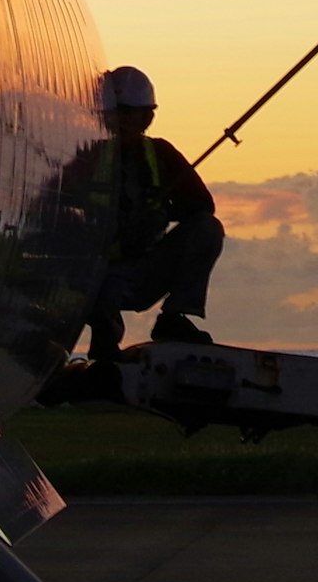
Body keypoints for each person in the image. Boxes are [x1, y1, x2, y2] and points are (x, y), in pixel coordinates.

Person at [65, 64, 223, 360]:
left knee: (208, 228)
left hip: (146, 270)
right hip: (97, 274)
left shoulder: (162, 156)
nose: (120, 120)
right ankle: (101, 347)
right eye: (115, 112)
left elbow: (202, 207)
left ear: (146, 117)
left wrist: (160, 214)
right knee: (100, 299)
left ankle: (175, 318)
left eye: (128, 112)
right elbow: (51, 204)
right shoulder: (89, 157)